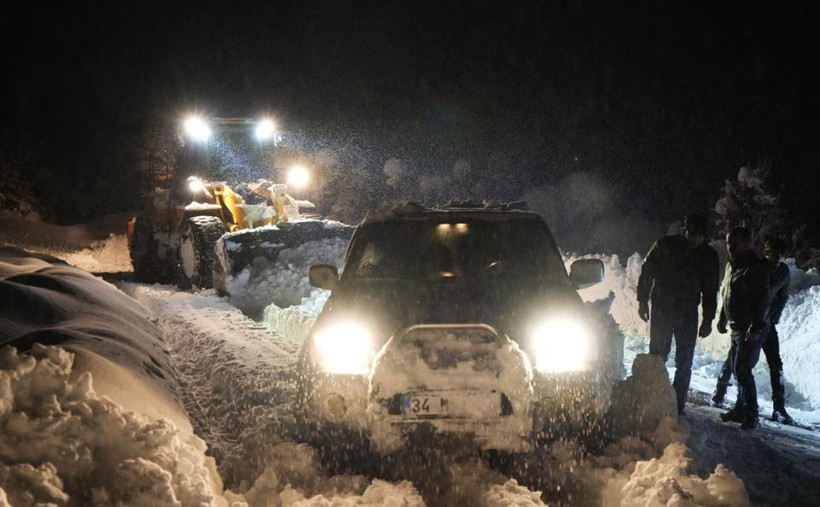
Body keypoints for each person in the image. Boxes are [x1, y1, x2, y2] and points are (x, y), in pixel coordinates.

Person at [637, 214, 720, 415]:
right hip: (662, 309)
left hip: (688, 313)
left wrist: (708, 319)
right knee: (658, 355)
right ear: (685, 230)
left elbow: (710, 289)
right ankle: (653, 394)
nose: (696, 240)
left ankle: (678, 403)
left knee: (685, 361)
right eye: (692, 234)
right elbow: (647, 273)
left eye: (700, 236)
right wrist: (642, 301)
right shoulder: (664, 246)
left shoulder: (708, 256)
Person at [712, 237, 793, 423]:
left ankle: (778, 407)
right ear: (766, 252)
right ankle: (722, 393)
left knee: (773, 363)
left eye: (780, 254)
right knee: (737, 361)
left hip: (766, 324)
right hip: (749, 322)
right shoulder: (756, 267)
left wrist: (774, 317)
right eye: (772, 252)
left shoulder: (783, 272)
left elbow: (783, 296)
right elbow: (731, 293)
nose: (776, 257)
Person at [717, 227, 770, 429]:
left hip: (750, 328)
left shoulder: (755, 268)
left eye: (735, 243)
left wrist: (756, 326)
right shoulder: (733, 265)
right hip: (737, 326)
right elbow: (727, 292)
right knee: (737, 367)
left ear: (747, 244)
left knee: (742, 370)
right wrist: (723, 317)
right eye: (729, 242)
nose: (730, 247)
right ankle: (740, 409)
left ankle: (751, 413)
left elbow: (762, 301)